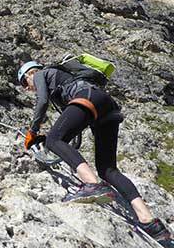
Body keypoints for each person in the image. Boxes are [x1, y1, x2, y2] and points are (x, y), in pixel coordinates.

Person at [17, 60, 172, 243]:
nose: (28, 89)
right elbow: (71, 137)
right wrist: (49, 141)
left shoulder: (42, 74)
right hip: (105, 106)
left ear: (30, 74)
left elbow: (42, 101)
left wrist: (33, 131)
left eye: (24, 84)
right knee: (107, 169)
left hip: (87, 97)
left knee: (54, 139)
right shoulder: (62, 80)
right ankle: (151, 223)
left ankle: (92, 184)